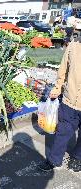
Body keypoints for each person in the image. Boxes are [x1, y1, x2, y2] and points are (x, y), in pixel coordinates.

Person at [38, 35, 81, 172]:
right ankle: (54, 160)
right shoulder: (74, 45)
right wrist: (58, 87)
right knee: (63, 131)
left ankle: (77, 158)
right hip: (70, 99)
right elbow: (63, 69)